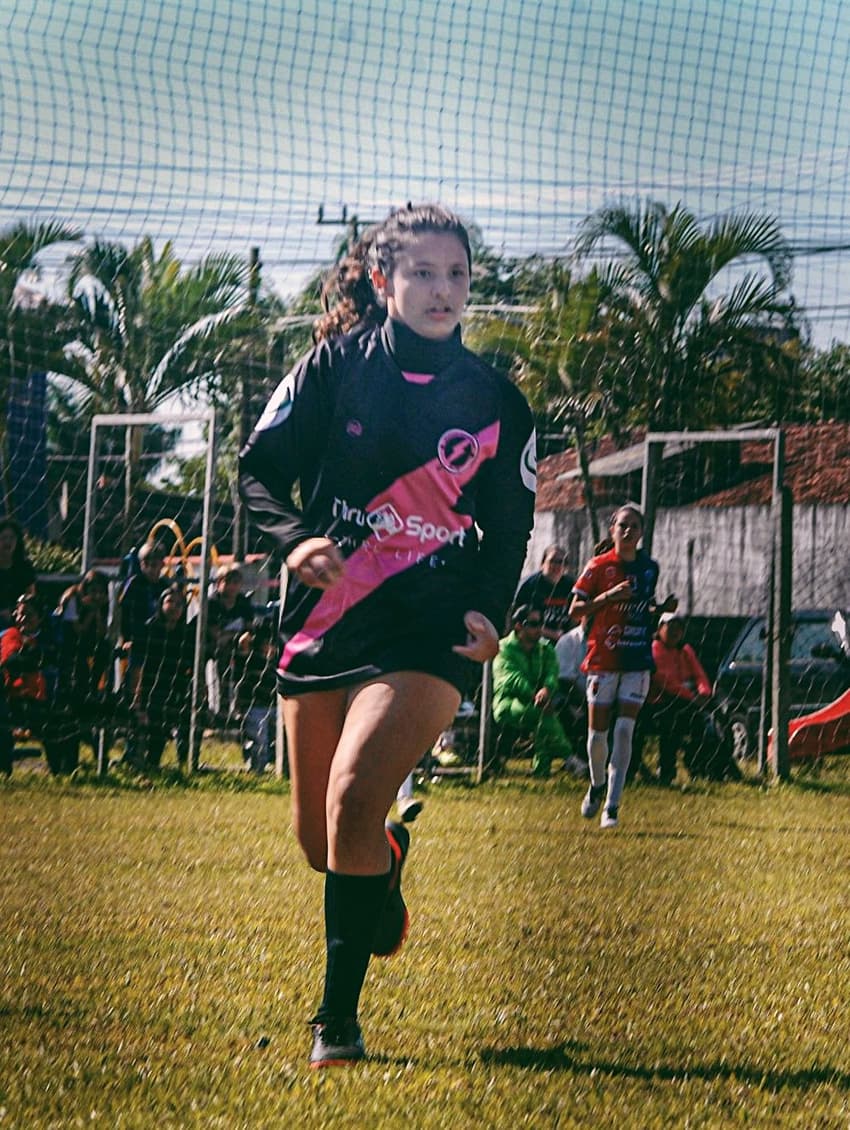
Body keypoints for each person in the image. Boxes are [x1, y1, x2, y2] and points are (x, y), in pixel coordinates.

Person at [238, 203, 536, 1068]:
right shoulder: (333, 368)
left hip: (430, 629)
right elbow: (258, 471)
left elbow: (511, 527)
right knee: (322, 843)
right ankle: (387, 858)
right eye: (424, 273)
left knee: (354, 798)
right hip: (327, 619)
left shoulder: (496, 401)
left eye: (458, 275)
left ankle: (336, 1022)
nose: (444, 290)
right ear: (383, 280)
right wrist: (295, 541)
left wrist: (490, 610)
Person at [569, 504, 677, 828]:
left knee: (625, 730)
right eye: (623, 526)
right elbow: (576, 610)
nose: (628, 531)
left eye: (634, 526)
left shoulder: (649, 568)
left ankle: (612, 806)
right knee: (597, 736)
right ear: (612, 530)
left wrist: (661, 609)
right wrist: (609, 597)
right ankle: (596, 784)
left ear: (642, 532)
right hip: (604, 658)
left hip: (636, 658)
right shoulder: (598, 566)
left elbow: (643, 608)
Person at [644, 613, 740, 783]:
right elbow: (666, 682)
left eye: (679, 628)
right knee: (675, 722)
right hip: (663, 703)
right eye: (671, 627)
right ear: (660, 629)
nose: (675, 632)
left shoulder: (685, 650)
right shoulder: (655, 649)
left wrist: (704, 693)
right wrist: (693, 698)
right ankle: (667, 771)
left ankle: (715, 768)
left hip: (690, 701)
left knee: (718, 718)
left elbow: (699, 675)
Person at [492, 604, 573, 777]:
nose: (540, 629)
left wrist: (546, 690)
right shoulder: (503, 648)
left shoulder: (546, 649)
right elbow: (512, 679)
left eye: (541, 624)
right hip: (507, 702)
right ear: (518, 626)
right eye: (534, 624)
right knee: (541, 715)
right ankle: (569, 756)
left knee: (543, 717)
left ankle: (541, 771)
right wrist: (535, 695)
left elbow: (552, 673)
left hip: (540, 701)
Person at [127, 584, 199, 772]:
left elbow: (191, 665)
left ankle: (186, 763)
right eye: (169, 602)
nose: (174, 607)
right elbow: (138, 666)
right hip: (151, 686)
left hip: (177, 686)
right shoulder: (149, 629)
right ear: (160, 605)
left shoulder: (186, 633)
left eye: (179, 604)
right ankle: (147, 763)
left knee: (190, 716)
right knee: (154, 722)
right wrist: (137, 698)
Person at [513, 544, 575, 642]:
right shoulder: (529, 586)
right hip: (532, 639)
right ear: (542, 564)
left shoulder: (571, 586)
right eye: (552, 561)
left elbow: (576, 617)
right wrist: (551, 634)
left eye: (561, 562)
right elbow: (518, 621)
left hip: (564, 640)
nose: (557, 566)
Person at [554, 618, 589, 755]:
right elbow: (564, 682)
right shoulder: (568, 641)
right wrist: (587, 702)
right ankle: (577, 757)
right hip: (571, 700)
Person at [0, 518, 37, 630]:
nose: (8, 542)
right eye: (4, 538)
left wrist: (19, 608)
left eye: (11, 538)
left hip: (18, 617)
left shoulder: (24, 567)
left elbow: (30, 594)